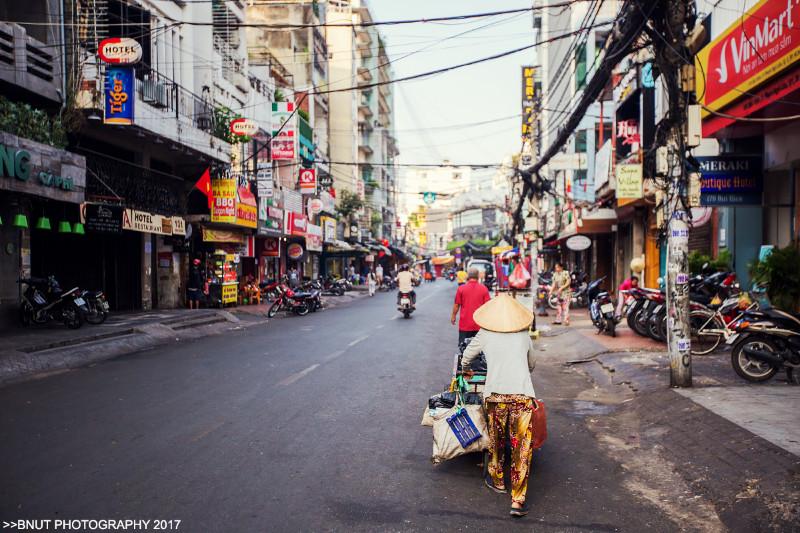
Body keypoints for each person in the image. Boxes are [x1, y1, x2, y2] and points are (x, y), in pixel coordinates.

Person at [461, 294, 537, 517]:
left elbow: (466, 357)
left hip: (495, 396)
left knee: (497, 439)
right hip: (522, 396)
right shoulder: (524, 335)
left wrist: (467, 370)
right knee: (521, 448)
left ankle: (498, 480)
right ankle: (518, 500)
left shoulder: (485, 334)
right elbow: (532, 363)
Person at [451, 267, 491, 344]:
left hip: (465, 326)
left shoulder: (461, 289)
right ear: (478, 276)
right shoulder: (484, 289)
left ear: (468, 276)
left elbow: (456, 305)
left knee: (463, 349)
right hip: (479, 325)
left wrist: (453, 316)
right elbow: (488, 307)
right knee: (479, 351)